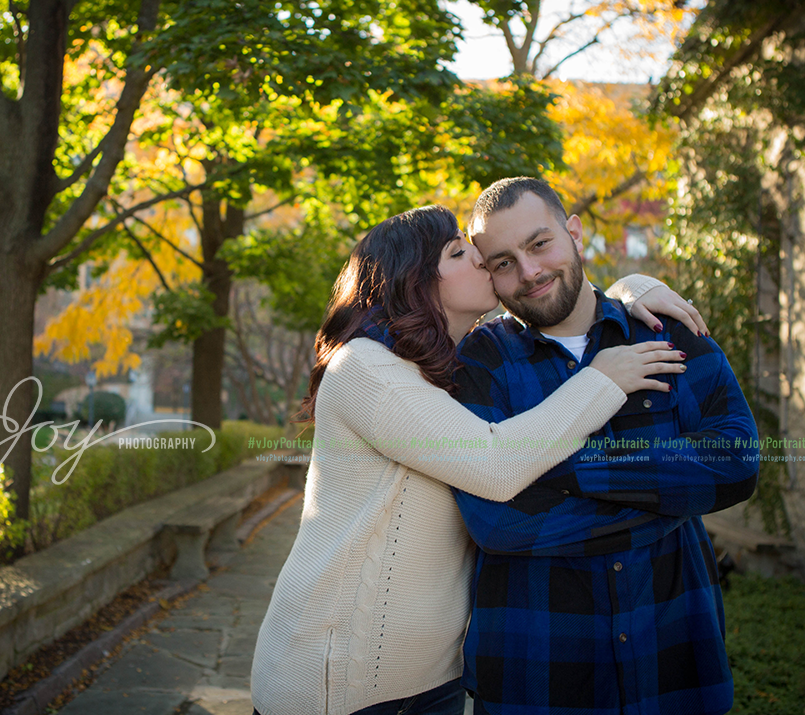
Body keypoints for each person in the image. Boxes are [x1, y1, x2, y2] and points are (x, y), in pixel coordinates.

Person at [249, 204, 706, 715]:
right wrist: (603, 379)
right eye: (461, 253)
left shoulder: (445, 367)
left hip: (431, 677)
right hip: (339, 678)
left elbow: (566, 303)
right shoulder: (366, 369)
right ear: (416, 277)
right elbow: (493, 463)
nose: (487, 265)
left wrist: (631, 290)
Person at [451, 177, 760, 715]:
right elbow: (497, 523)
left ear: (574, 232)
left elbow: (735, 464)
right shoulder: (481, 363)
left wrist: (557, 467)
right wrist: (670, 507)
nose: (529, 272)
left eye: (540, 243)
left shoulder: (668, 332)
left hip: (674, 655)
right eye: (503, 262)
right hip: (538, 670)